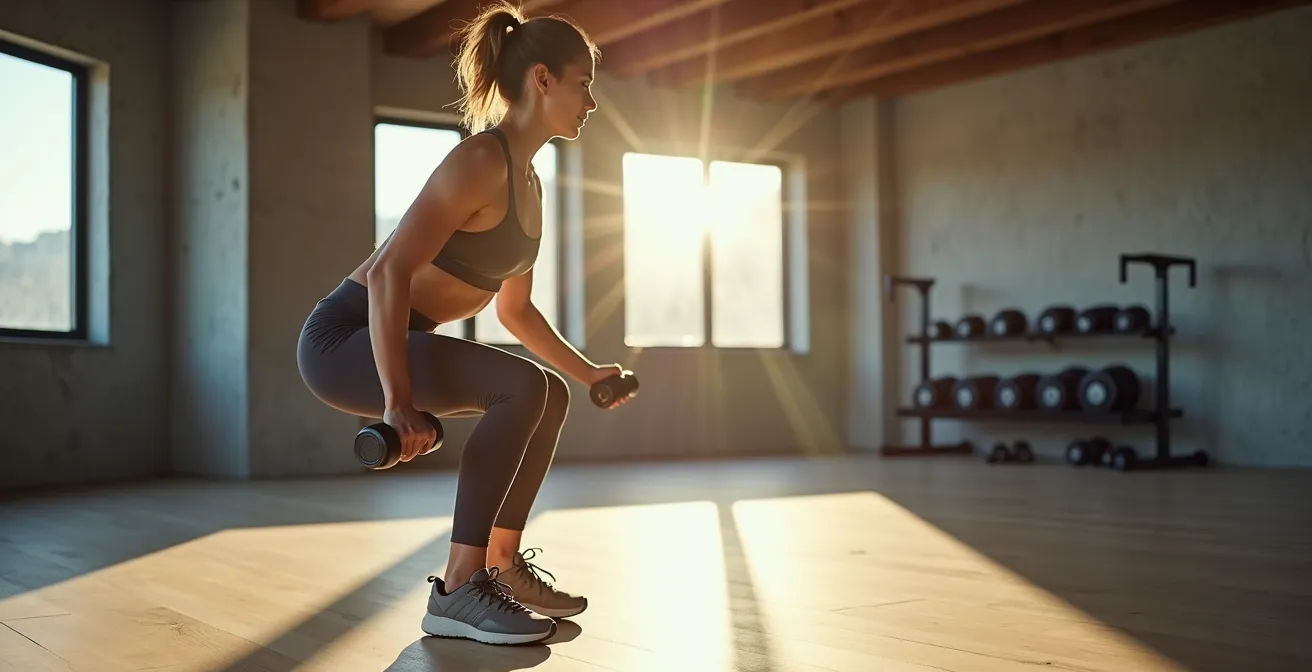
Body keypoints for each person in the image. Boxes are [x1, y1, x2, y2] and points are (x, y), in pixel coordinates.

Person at [296, 1, 620, 646]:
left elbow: (515, 310)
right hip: (344, 340)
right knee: (522, 387)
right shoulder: (481, 161)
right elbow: (389, 272)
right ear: (543, 81)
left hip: (399, 337)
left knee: (547, 391)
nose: (591, 100)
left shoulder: (529, 183)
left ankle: (501, 564)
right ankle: (459, 589)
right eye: (584, 82)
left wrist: (587, 374)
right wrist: (397, 402)